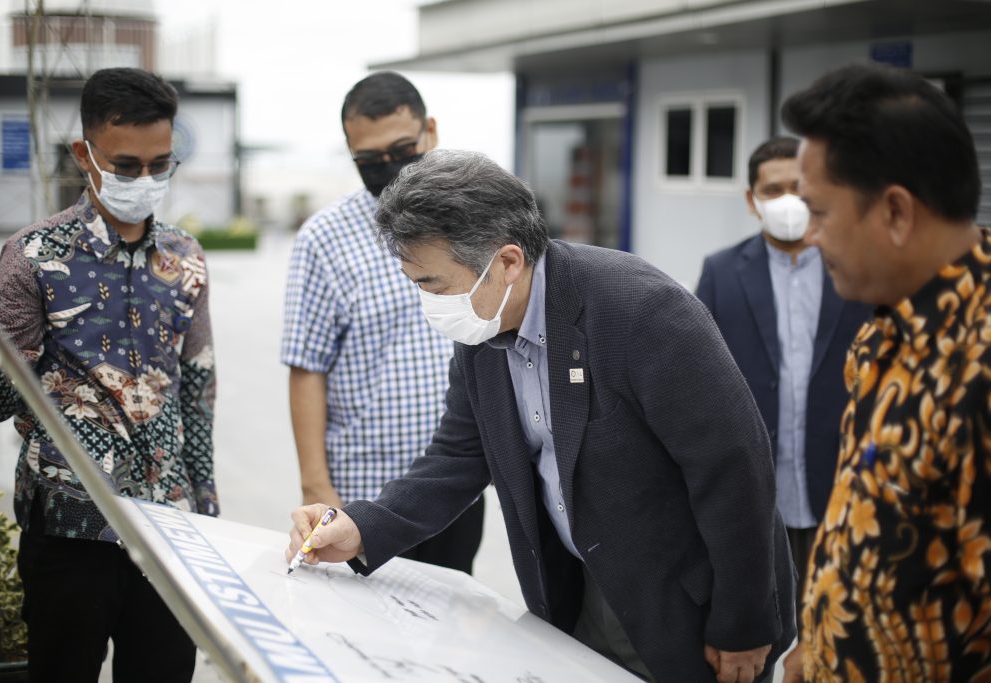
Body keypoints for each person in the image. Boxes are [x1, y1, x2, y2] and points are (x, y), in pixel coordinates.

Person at [285, 149, 797, 683]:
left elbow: (735, 469)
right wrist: (362, 527)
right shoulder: (482, 328)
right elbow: (459, 455)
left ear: (507, 262)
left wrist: (744, 623)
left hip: (685, 606)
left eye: (433, 285)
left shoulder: (641, 311)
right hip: (577, 589)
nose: (427, 302)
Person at [0, 67, 215, 682]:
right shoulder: (33, 255)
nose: (145, 179)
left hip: (169, 530)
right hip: (68, 529)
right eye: (126, 166)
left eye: (160, 164)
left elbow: (198, 390)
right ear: (85, 153)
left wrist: (208, 512)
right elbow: (1, 400)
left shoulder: (185, 258)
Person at [779, 63, 991, 681]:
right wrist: (819, 643)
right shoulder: (885, 330)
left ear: (896, 211)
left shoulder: (978, 369)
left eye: (819, 213)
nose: (809, 237)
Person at [281, 72, 484, 575]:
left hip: (453, 489)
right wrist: (317, 488)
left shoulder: (473, 222)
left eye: (402, 150)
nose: (389, 167)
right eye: (369, 160)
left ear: (429, 132)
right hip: (364, 493)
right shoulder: (325, 239)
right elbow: (307, 368)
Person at [695, 136, 872, 619]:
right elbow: (701, 380)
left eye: (798, 187)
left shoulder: (859, 267)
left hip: (844, 489)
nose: (787, 200)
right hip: (755, 497)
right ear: (752, 200)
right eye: (773, 190)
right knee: (761, 628)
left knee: (839, 626)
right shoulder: (721, 272)